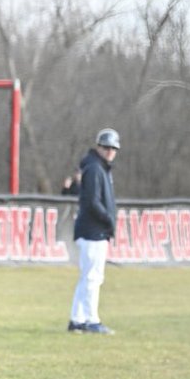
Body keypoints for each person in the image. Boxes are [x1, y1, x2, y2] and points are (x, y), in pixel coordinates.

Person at [68, 128, 119, 335]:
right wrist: (108, 219)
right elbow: (91, 201)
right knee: (93, 277)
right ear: (98, 147)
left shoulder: (98, 168)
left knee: (88, 276)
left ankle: (77, 319)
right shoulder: (95, 168)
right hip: (93, 230)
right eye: (106, 147)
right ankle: (91, 320)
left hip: (93, 230)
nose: (109, 151)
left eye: (113, 148)